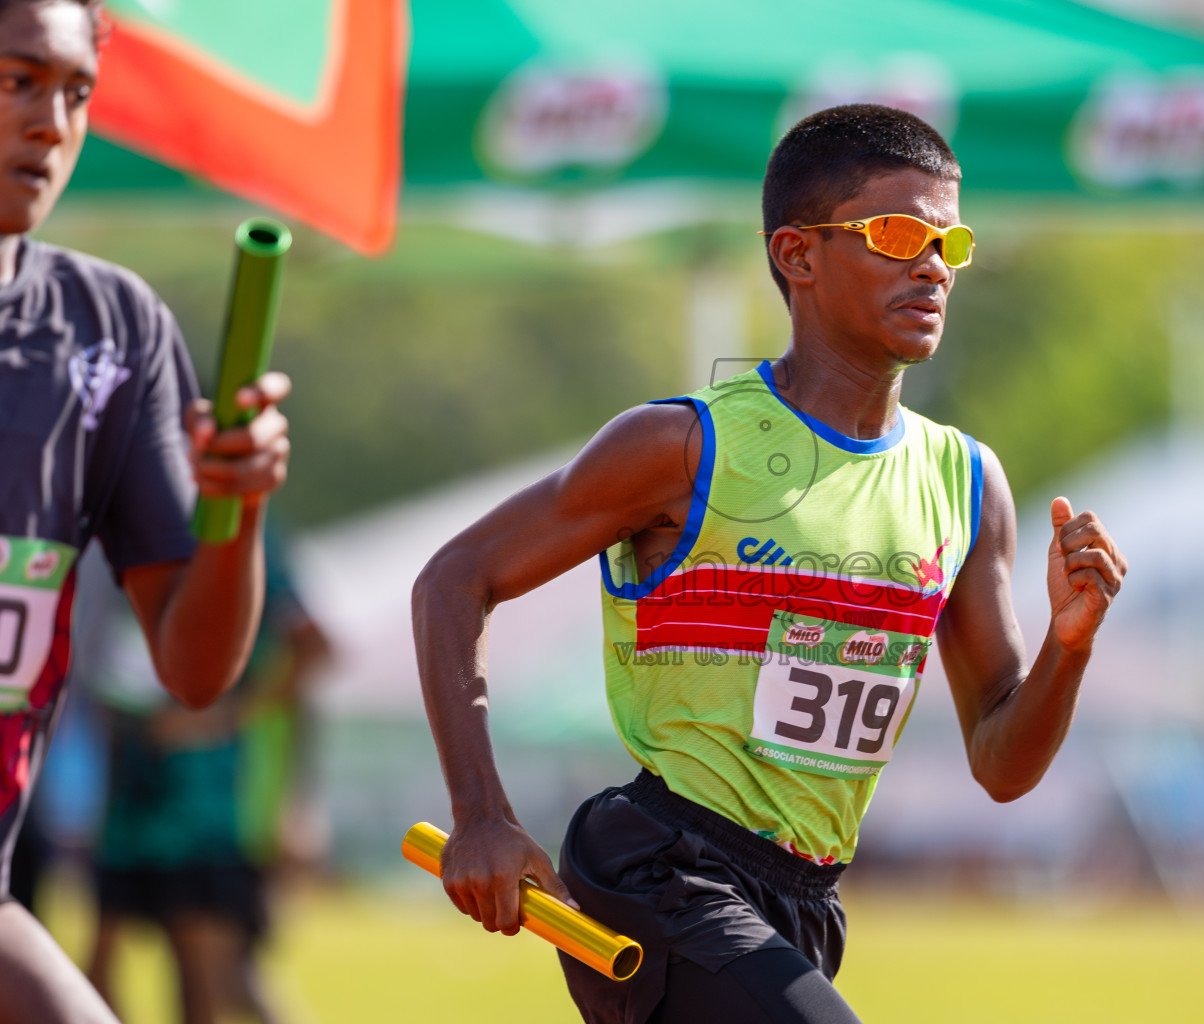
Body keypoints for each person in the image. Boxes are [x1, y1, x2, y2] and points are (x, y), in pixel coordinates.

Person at [412, 103, 1127, 1023]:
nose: (933, 267)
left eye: (950, 243)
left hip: (807, 904)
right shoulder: (680, 446)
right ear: (797, 255)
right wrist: (481, 815)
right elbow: (453, 580)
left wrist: (1070, 645)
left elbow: (1003, 763)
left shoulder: (967, 482)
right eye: (897, 234)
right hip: (660, 869)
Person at [0, 2, 293, 1022]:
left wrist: (237, 506)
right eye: (16, 80)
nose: (50, 123)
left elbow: (196, 668)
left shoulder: (113, 329)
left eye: (75, 92)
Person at [80, 527, 328, 1024]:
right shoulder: (126, 518)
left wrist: (225, 717)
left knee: (213, 979)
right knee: (100, 971)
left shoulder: (246, 528)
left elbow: (314, 649)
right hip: (133, 798)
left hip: (212, 809)